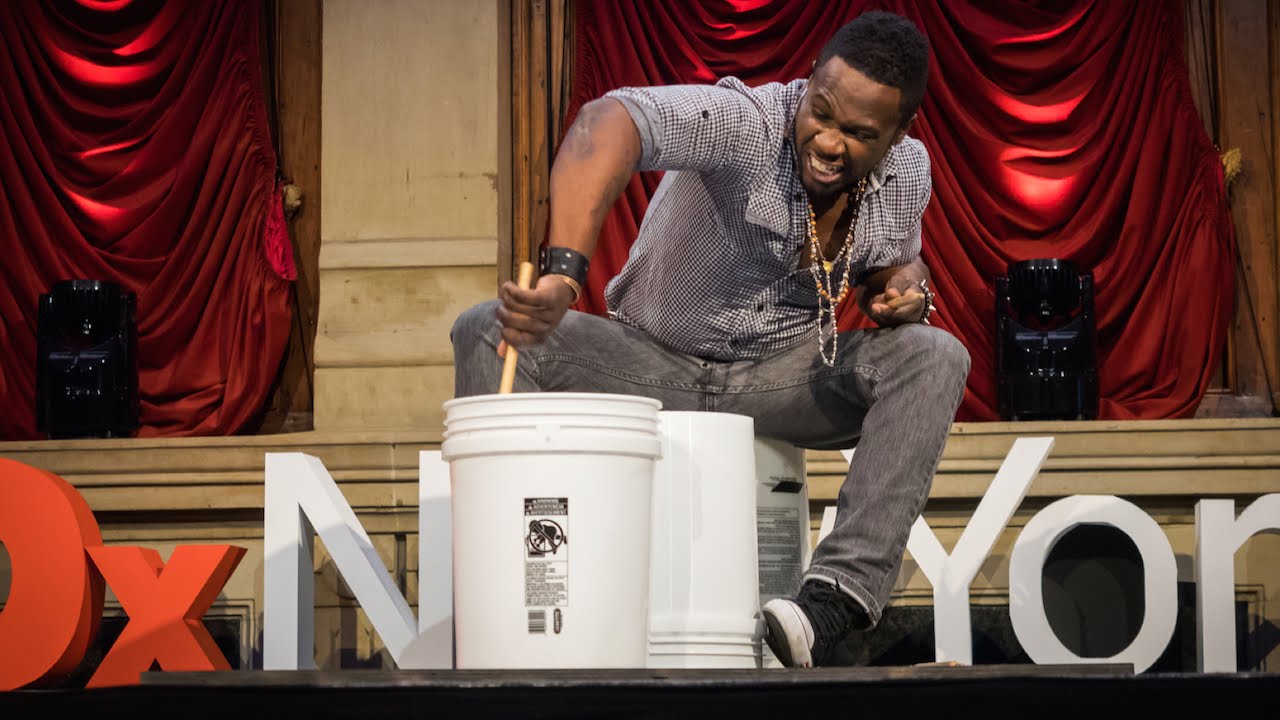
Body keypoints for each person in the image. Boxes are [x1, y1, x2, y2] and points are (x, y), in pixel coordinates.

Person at [451, 10, 969, 668]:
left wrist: (906, 290)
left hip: (775, 381)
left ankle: (831, 603)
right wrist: (562, 276)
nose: (829, 141)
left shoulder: (908, 173)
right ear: (808, 81)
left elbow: (890, 264)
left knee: (935, 355)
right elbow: (607, 124)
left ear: (900, 133)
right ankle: (510, 594)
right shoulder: (744, 122)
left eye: (859, 133)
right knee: (486, 330)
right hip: (650, 366)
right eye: (823, 112)